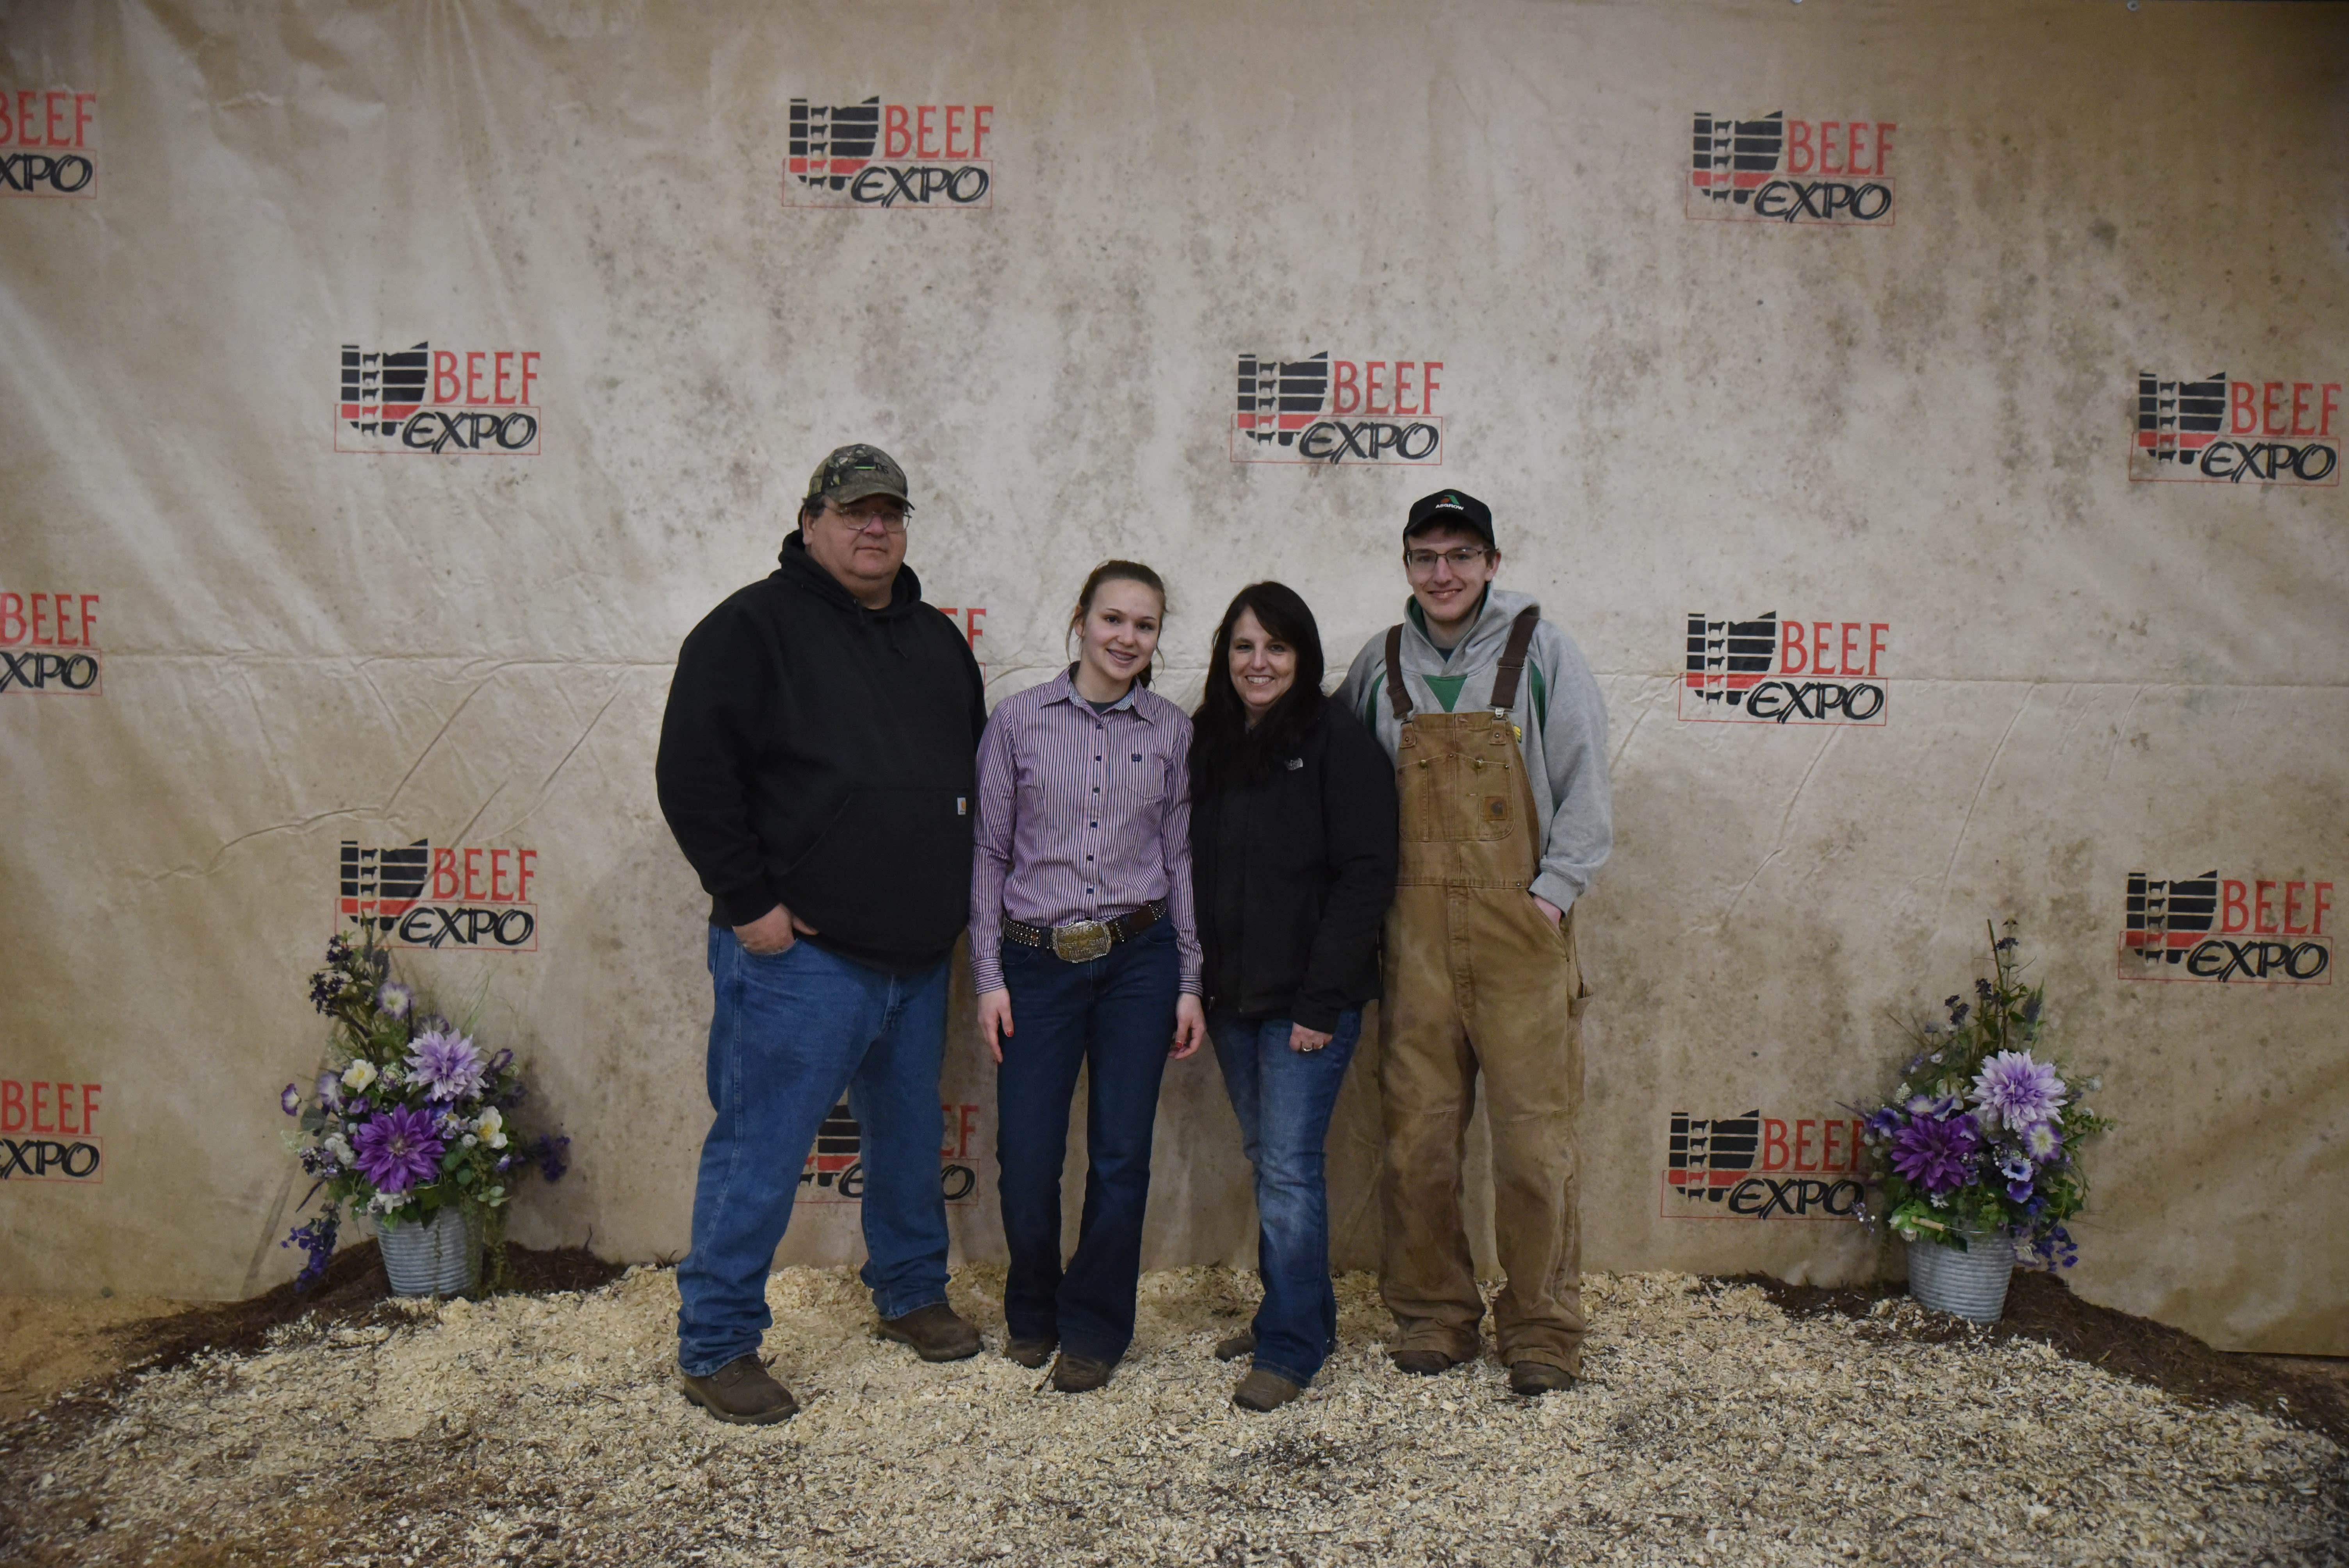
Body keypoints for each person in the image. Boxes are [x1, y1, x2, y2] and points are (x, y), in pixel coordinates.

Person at [656, 444, 987, 1425]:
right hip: (801, 956)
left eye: (889, 511)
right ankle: (715, 1344)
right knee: (759, 1147)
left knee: (906, 1137)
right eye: (853, 511)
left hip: (916, 954)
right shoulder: (748, 628)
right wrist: (748, 902)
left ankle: (910, 1292)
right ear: (810, 522)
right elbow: (693, 776)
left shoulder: (935, 641)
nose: (873, 527)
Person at [1333, 488, 1611, 1398]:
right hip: (1409, 942)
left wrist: (1551, 897)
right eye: (1424, 556)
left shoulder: (1542, 651)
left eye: (1460, 555)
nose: (1441, 573)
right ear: (1405, 565)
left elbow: (1585, 792)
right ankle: (1432, 1313)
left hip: (1520, 938)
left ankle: (1540, 1326)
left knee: (1534, 1145)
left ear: (1490, 562)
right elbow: (1341, 799)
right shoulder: (1377, 667)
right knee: (1415, 1142)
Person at [970, 561, 1208, 1394]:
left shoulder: (1172, 732)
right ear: (1079, 619)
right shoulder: (1016, 723)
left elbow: (1178, 859)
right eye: (1112, 619)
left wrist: (1188, 978)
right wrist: (988, 977)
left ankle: (1096, 1328)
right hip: (1036, 965)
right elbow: (989, 855)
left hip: (1139, 961)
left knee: (1118, 1156)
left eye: (1143, 626)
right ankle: (1032, 1309)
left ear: (1155, 638)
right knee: (1028, 1156)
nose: (1125, 638)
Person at [1189, 582, 1398, 1411]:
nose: (1258, 662)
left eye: (1275, 647)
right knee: (1268, 1162)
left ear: (1303, 656)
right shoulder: (1208, 738)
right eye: (1243, 646)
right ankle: (1295, 1310)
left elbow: (1364, 877)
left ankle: (1291, 1347)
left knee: (1285, 1170)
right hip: (1231, 997)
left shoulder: (1338, 742)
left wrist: (1319, 1003)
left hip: (1308, 1004)